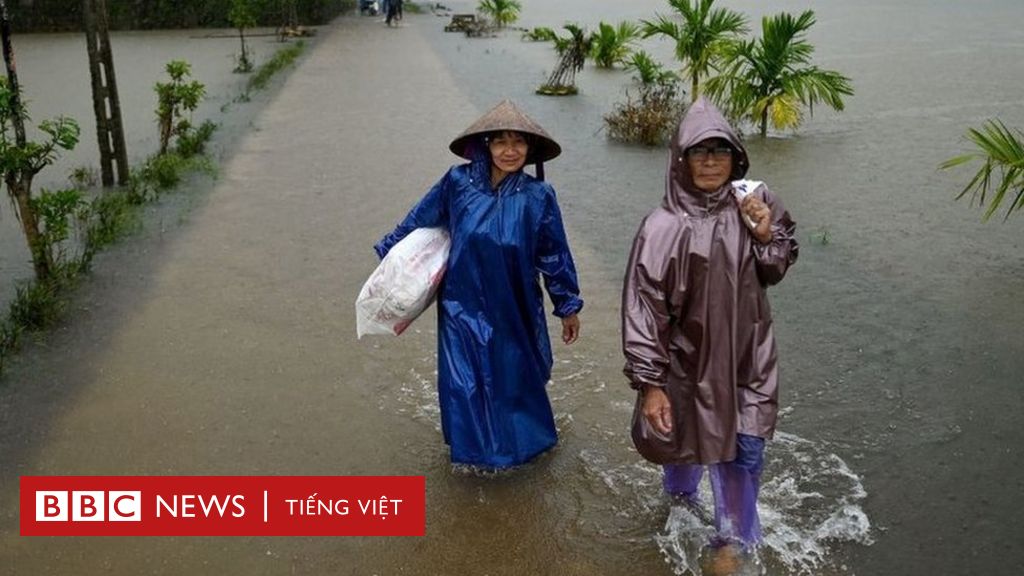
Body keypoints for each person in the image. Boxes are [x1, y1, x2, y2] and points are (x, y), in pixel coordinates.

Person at [621, 97, 798, 553]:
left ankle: (733, 542)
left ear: (736, 157)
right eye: (699, 152)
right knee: (680, 448)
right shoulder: (660, 227)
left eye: (720, 151)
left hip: (748, 362)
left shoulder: (755, 204)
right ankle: (678, 507)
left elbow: (776, 267)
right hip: (685, 368)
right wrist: (650, 384)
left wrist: (764, 233)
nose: (710, 162)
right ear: (681, 160)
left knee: (745, 451)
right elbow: (644, 309)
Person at [374, 100, 584, 469]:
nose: (509, 151)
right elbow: (419, 221)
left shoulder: (539, 197)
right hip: (460, 302)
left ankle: (525, 450)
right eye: (500, 141)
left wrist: (567, 306)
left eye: (518, 142)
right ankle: (472, 457)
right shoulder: (457, 182)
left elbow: (553, 254)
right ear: (486, 144)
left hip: (515, 302)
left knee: (514, 376)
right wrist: (388, 262)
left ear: (529, 148)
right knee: (463, 381)